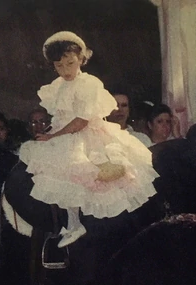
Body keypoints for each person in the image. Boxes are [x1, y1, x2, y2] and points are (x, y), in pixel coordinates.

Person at [19, 31, 158, 247]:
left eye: (70, 63)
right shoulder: (58, 85)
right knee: (59, 176)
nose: (65, 70)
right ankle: (72, 224)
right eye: (59, 65)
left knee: (86, 173)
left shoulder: (89, 83)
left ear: (81, 59)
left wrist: (53, 136)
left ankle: (102, 230)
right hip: (66, 133)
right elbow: (61, 115)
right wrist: (51, 133)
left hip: (86, 134)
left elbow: (81, 120)